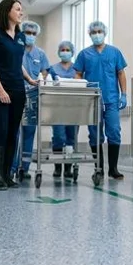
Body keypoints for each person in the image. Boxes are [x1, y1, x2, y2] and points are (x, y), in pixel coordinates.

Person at [0, 0, 39, 191]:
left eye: (21, 10)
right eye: (18, 9)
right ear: (7, 11)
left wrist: (29, 79)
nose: (21, 13)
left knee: (13, 134)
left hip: (17, 90)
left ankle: (7, 176)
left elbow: (17, 62)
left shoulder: (20, 36)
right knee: (1, 131)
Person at [73, 21, 128, 181]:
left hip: (111, 99)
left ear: (104, 33)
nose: (97, 34)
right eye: (94, 32)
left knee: (114, 132)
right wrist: (79, 91)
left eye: (99, 31)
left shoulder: (114, 52)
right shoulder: (84, 54)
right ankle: (99, 168)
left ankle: (113, 169)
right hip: (92, 99)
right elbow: (78, 74)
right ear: (90, 34)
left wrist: (123, 94)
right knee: (95, 134)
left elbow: (121, 73)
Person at [11, 20, 50, 182]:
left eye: (34, 34)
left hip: (33, 97)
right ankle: (12, 167)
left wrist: (42, 80)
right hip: (16, 93)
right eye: (28, 33)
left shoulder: (40, 54)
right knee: (14, 133)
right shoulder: (15, 50)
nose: (31, 36)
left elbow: (45, 72)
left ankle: (24, 167)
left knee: (29, 132)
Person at [48, 40, 80, 179]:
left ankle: (68, 168)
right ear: (59, 52)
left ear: (72, 52)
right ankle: (57, 167)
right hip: (57, 108)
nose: (65, 52)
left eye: (68, 50)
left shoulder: (77, 69)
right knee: (59, 137)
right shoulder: (53, 68)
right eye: (63, 50)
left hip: (73, 108)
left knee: (71, 138)